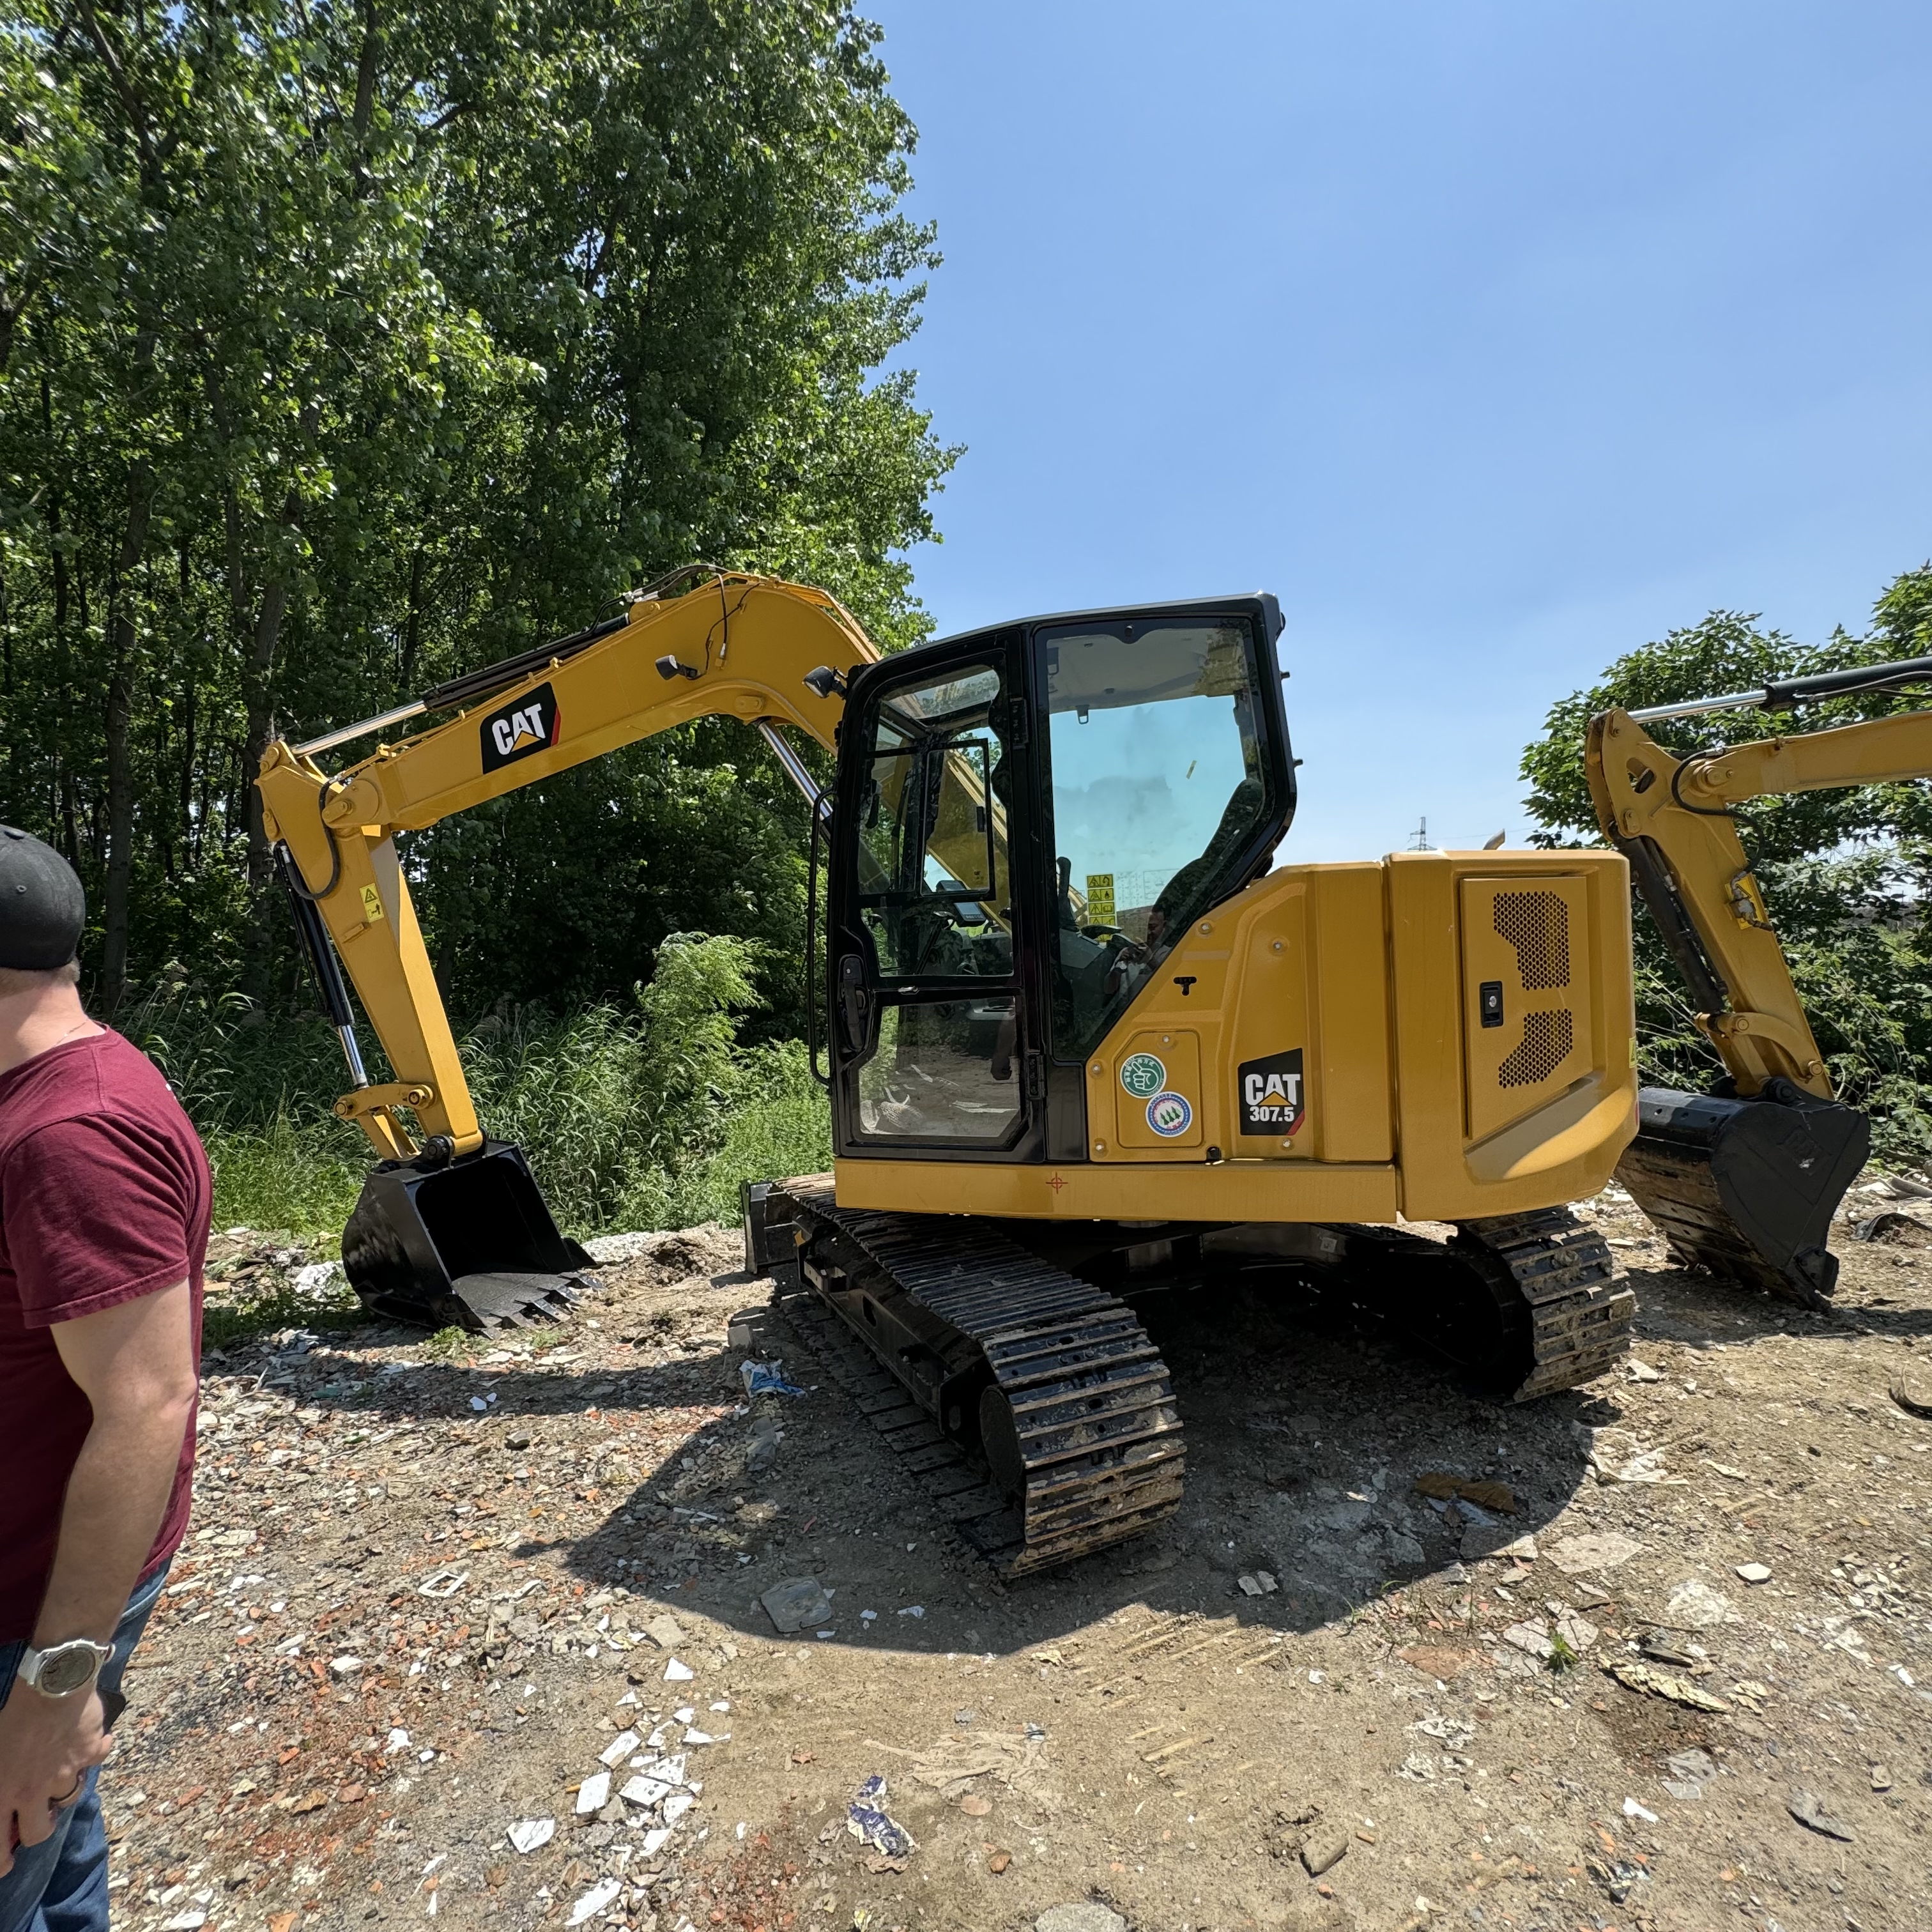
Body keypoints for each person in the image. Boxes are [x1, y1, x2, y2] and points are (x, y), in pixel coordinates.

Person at [0, 829, 208, 1932]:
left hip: (29, 1609)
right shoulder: (54, 1085)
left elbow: (147, 1405)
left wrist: (54, 1687)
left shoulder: (71, 1134)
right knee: (60, 1864)